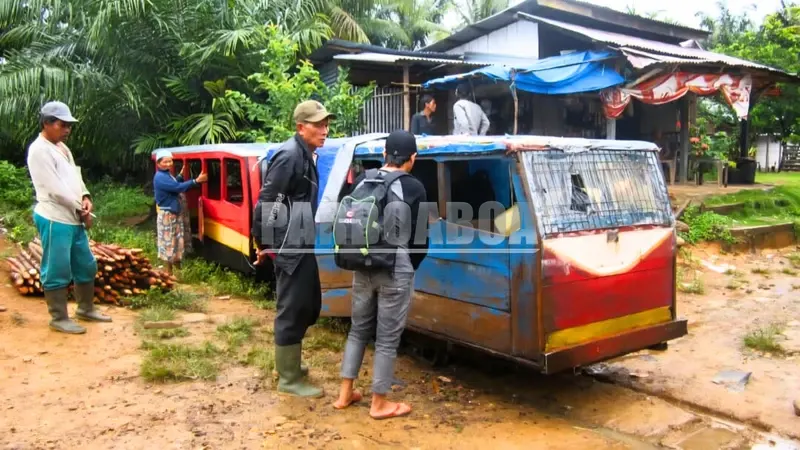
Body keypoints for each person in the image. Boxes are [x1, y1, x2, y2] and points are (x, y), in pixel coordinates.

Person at [332, 129, 429, 420]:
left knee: (358, 329)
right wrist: (408, 267)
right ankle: (379, 403)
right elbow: (421, 240)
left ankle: (344, 394)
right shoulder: (414, 187)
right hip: (394, 267)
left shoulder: (364, 179)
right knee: (387, 338)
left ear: (385, 154)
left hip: (362, 264)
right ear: (412, 158)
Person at [251, 100, 334, 398]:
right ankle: (287, 378)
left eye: (326, 124)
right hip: (289, 244)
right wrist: (268, 244)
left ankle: (290, 365)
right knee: (292, 307)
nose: (325, 130)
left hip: (301, 240)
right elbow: (268, 202)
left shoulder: (306, 154)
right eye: (318, 125)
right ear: (301, 127)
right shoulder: (289, 156)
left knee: (309, 304)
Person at [26, 101, 111, 334]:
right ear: (47, 123)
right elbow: (53, 188)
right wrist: (81, 209)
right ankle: (59, 317)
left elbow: (75, 176)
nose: (67, 130)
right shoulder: (39, 150)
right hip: (55, 218)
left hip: (73, 216)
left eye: (69, 125)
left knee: (86, 264)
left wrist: (85, 196)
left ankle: (85, 308)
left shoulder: (62, 148)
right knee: (57, 268)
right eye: (62, 125)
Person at [153, 150, 207, 275]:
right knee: (169, 241)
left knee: (176, 240)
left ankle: (177, 267)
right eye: (165, 162)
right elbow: (177, 188)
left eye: (170, 161)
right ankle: (169, 271)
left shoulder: (166, 174)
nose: (168, 164)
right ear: (158, 163)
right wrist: (196, 181)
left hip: (173, 213)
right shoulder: (160, 177)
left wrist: (180, 176)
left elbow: (174, 184)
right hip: (168, 215)